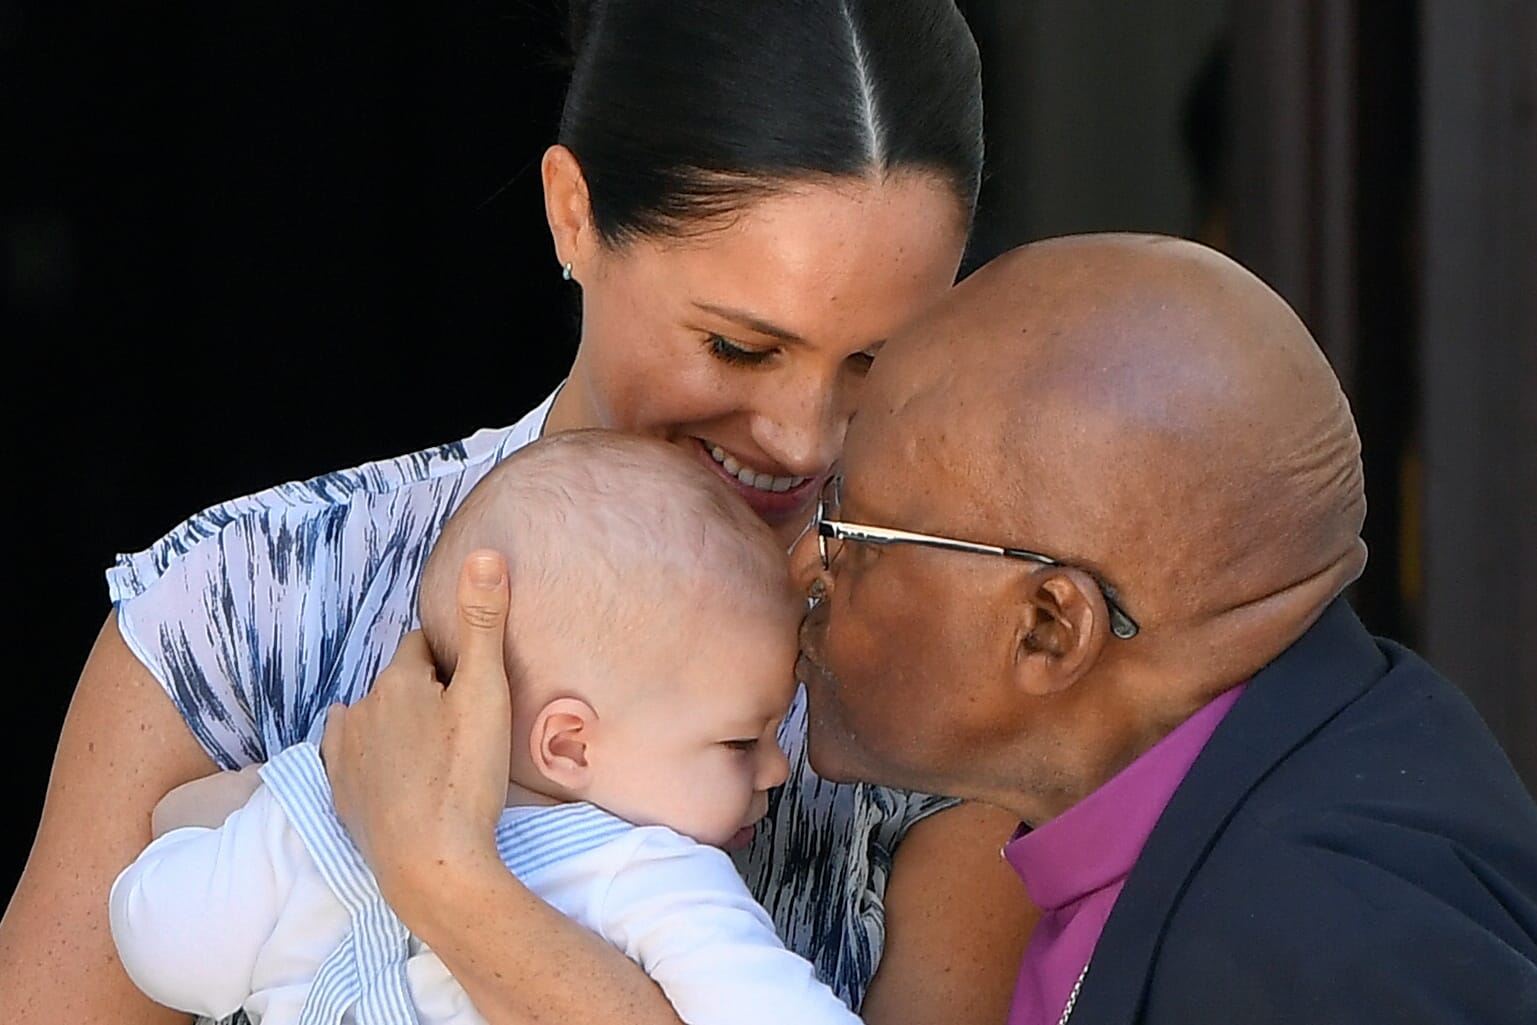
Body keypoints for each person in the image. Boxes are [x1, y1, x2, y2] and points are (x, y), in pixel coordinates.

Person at [0, 3, 1034, 1023]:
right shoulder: (250, 603)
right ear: (571, 212)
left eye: (874, 359)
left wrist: (442, 876)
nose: (805, 437)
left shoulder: (950, 677)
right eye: (737, 346)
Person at [782, 232, 1537, 1022]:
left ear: (1047, 629)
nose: (810, 567)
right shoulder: (1313, 752)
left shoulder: (1312, 964)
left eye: (852, 534)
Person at [108, 431, 871, 1025]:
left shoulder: (328, 811)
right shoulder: (650, 874)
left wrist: (270, 798)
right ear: (569, 742)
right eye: (742, 740)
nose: (776, 768)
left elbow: (167, 948)